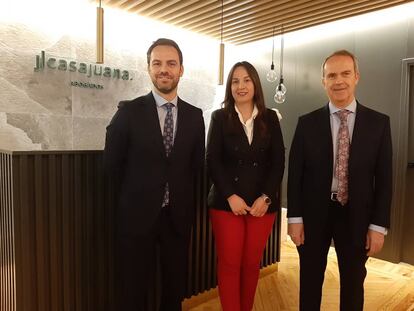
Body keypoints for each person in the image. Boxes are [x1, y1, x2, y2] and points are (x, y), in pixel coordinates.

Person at [104, 38, 205, 311]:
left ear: (181, 70)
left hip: (178, 218)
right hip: (136, 218)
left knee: (174, 290)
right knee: (133, 289)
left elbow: (197, 168)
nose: (164, 69)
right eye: (157, 63)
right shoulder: (128, 113)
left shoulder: (196, 117)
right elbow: (112, 165)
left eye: (171, 63)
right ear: (148, 68)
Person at [287, 50, 392, 311]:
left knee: (354, 285)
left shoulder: (379, 124)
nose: (338, 81)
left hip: (357, 216)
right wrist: (294, 219)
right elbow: (295, 175)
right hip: (313, 215)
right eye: (331, 75)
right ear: (323, 81)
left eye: (345, 73)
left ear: (357, 77)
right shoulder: (306, 123)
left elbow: (385, 179)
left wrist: (378, 225)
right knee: (310, 281)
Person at [206, 61, 285, 311]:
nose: (241, 86)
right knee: (229, 264)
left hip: (262, 205)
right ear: (230, 87)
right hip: (226, 203)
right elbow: (213, 159)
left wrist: (266, 197)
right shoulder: (219, 117)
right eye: (235, 81)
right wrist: (230, 195)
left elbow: (278, 161)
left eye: (246, 80)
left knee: (251, 264)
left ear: (255, 84)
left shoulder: (271, 117)